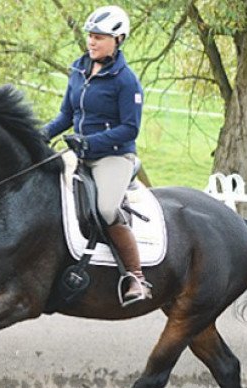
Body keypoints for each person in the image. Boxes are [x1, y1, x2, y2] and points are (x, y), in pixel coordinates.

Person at [42, 5, 151, 306]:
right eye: (90, 36)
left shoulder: (126, 80)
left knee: (104, 209)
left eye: (99, 37)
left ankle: (136, 277)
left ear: (118, 39)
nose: (92, 42)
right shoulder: (78, 70)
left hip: (112, 157)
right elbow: (66, 113)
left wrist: (89, 142)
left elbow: (129, 129)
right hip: (79, 152)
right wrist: (43, 133)